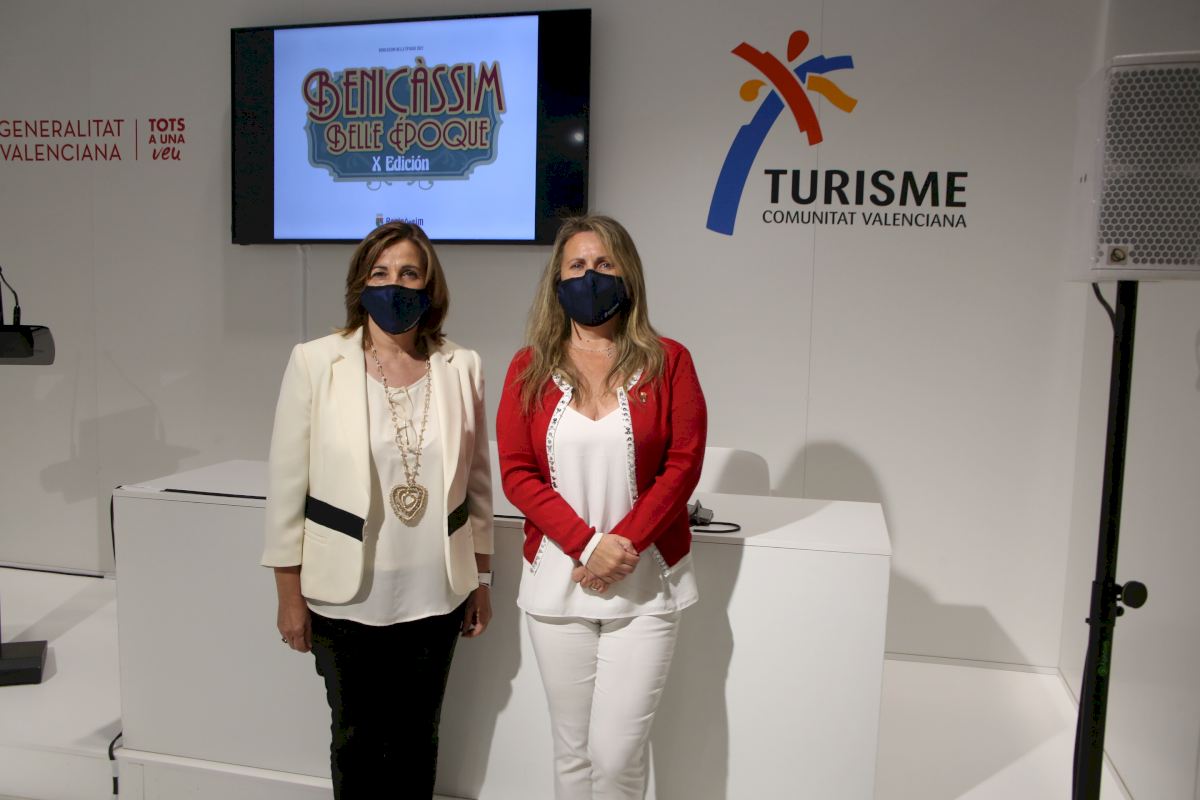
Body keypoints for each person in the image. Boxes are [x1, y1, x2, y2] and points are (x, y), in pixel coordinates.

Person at [261, 221, 494, 799]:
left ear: (430, 287)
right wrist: (288, 594)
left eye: (410, 273)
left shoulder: (461, 365)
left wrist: (482, 580)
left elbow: (477, 486)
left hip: (437, 594)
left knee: (418, 740)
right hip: (345, 598)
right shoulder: (316, 362)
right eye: (381, 272)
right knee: (357, 741)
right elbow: (287, 487)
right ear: (360, 285)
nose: (395, 285)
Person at [495, 214, 707, 799]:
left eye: (605, 263)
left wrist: (621, 547)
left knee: (616, 759)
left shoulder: (669, 361)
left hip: (646, 587)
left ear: (628, 274)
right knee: (573, 753)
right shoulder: (528, 367)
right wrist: (588, 546)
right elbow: (516, 473)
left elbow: (683, 465)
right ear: (557, 280)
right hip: (557, 584)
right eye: (577, 265)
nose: (591, 276)